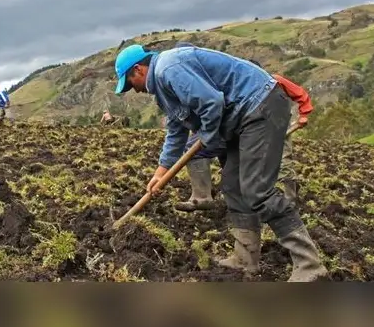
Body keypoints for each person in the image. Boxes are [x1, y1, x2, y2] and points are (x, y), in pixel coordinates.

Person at [113, 43, 327, 281]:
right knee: (232, 185)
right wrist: (160, 172)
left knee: (257, 190)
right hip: (241, 118)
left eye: (131, 85)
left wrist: (207, 136)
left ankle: (310, 267)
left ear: (139, 70)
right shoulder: (164, 85)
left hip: (260, 106)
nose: (135, 91)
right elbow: (176, 129)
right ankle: (245, 259)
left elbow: (211, 102)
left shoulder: (168, 69)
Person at [177, 67, 314, 211]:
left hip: (277, 120)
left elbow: (300, 93)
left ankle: (288, 200)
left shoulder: (274, 80)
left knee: (283, 160)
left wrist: (304, 114)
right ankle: (237, 196)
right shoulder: (235, 86)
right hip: (251, 123)